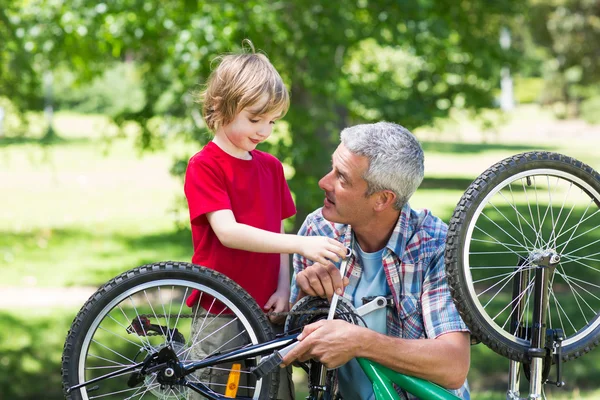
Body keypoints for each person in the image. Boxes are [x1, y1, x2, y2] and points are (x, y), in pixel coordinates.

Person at [184, 42, 347, 399]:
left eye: (271, 121)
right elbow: (227, 233)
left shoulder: (271, 168)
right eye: (254, 119)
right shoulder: (205, 165)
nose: (264, 131)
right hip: (220, 311)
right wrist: (303, 244)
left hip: (265, 310)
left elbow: (277, 231)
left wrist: (283, 287)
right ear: (222, 107)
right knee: (217, 390)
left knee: (272, 391)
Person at [282, 122, 471, 400]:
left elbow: (453, 365)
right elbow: (301, 358)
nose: (324, 182)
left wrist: (359, 341)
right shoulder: (318, 231)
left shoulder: (435, 247)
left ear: (382, 199)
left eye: (342, 178)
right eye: (332, 168)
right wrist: (304, 301)